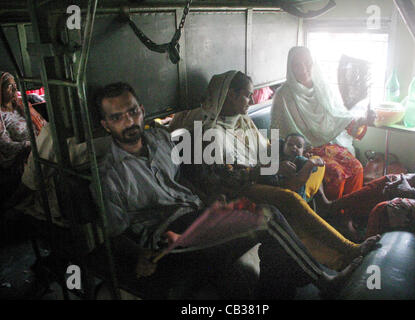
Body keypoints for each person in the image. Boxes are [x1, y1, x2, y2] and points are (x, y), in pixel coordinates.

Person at [92, 81, 367, 300]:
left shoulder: (161, 139)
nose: (129, 122)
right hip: (170, 238)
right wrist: (139, 255)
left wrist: (208, 198)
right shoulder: (108, 175)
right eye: (117, 117)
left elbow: (182, 179)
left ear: (141, 109)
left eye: (133, 112)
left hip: (198, 215)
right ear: (106, 125)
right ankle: (326, 283)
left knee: (276, 237)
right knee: (267, 217)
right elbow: (112, 233)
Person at [170, 71, 380, 271]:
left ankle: (317, 211)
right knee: (289, 199)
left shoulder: (242, 121)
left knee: (316, 165)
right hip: (243, 186)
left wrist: (288, 157)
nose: (251, 101)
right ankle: (347, 250)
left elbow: (264, 148)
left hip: (263, 173)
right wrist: (266, 170)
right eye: (247, 96)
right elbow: (222, 179)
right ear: (231, 95)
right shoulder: (211, 133)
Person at [271, 47, 374, 201]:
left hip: (328, 145)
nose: (304, 69)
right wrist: (280, 160)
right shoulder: (283, 95)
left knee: (357, 167)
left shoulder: (322, 87)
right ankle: (333, 216)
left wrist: (361, 121)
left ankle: (349, 214)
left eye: (307, 63)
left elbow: (338, 117)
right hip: (304, 149)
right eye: (297, 65)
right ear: (290, 67)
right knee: (336, 174)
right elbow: (276, 131)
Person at [330, 134, 415, 240]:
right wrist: (409, 179)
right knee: (388, 180)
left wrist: (409, 192)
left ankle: (363, 251)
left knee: (384, 210)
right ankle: (333, 207)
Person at [0, 71, 46, 204]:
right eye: (9, 86)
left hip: (39, 144)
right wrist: (29, 145)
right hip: (22, 152)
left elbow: (42, 124)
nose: (15, 89)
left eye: (15, 85)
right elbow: (5, 145)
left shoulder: (21, 104)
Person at [279, 132, 331, 206]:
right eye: (290, 144)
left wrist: (307, 161)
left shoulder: (302, 160)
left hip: (299, 194)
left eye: (299, 146)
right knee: (315, 161)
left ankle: (322, 199)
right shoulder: (279, 158)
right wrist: (310, 163)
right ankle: (322, 200)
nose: (294, 147)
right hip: (291, 194)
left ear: (304, 150)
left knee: (317, 160)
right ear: (283, 146)